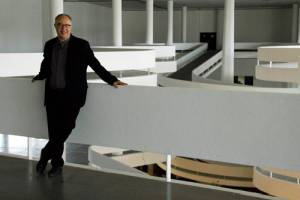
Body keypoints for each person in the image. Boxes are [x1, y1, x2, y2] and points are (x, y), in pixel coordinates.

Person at [32, 14, 127, 177]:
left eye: (67, 25)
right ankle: (56, 165)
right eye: (60, 25)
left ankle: (44, 155)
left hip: (72, 97)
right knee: (55, 133)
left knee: (66, 128)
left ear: (71, 27)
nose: (64, 28)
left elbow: (96, 65)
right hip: (52, 96)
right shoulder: (49, 45)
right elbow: (46, 64)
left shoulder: (81, 45)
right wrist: (40, 75)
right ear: (55, 26)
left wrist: (111, 80)